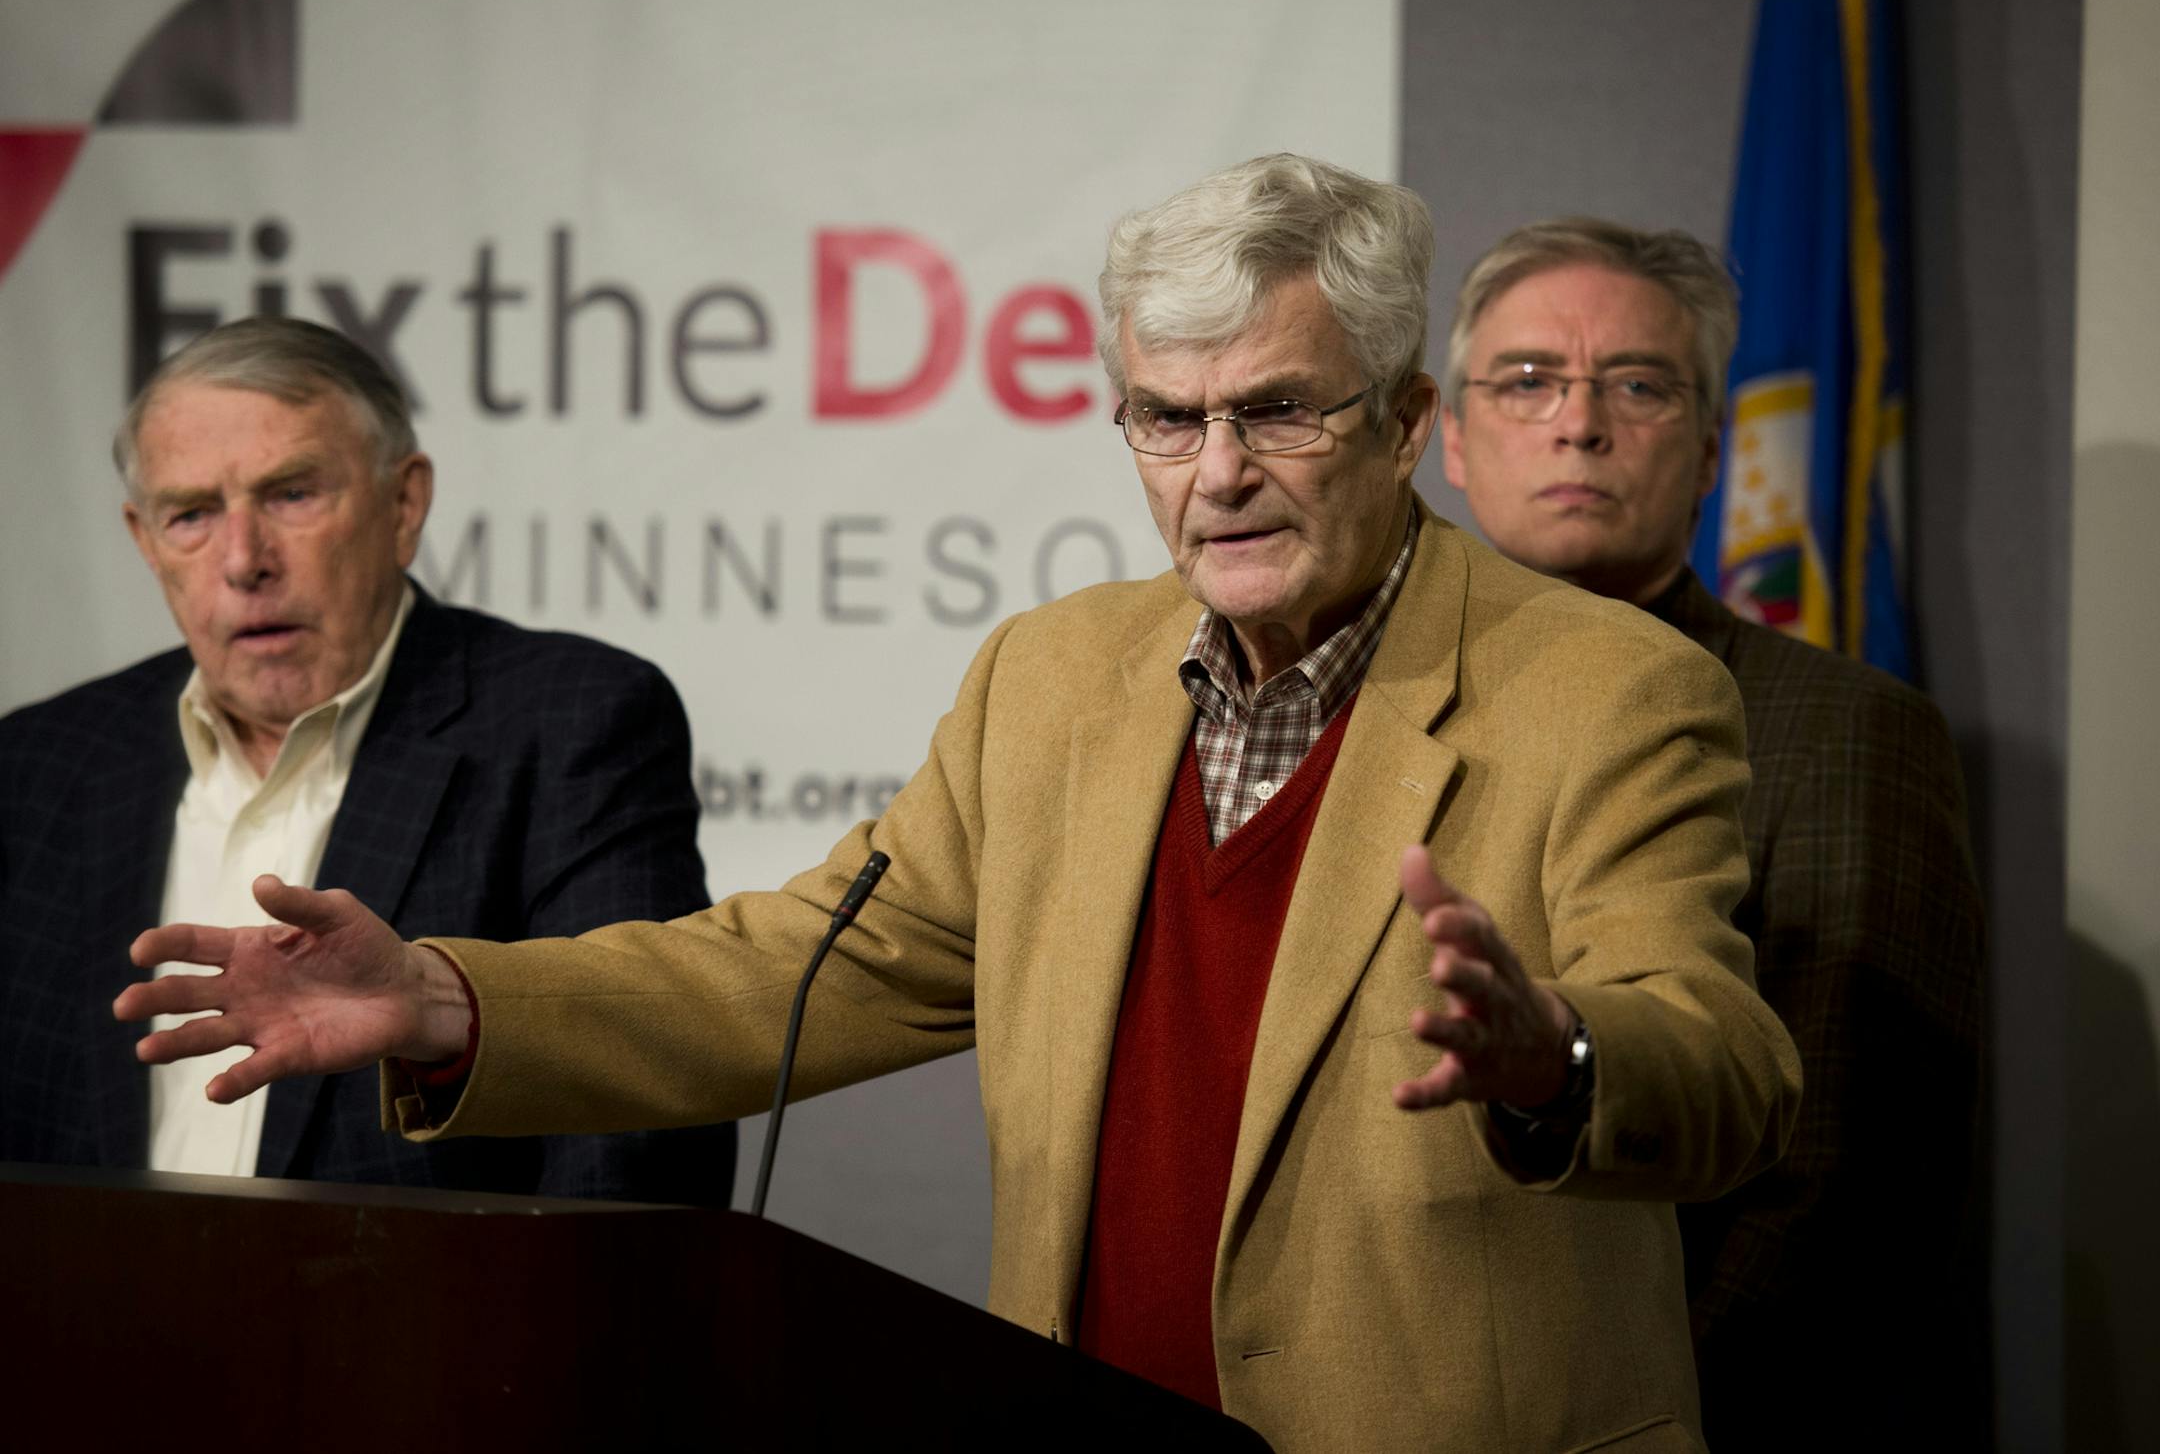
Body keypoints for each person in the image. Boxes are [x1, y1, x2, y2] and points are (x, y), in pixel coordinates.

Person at [119, 160, 1799, 1452]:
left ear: (1406, 423)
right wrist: (447, 993)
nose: (1217, 469)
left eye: (1278, 408)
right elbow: (791, 963)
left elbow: (1724, 1064)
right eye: (1167, 415)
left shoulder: (1605, 687)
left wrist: (1556, 1059)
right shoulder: (1053, 679)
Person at [1440, 218, 1988, 1447]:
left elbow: (1847, 1193)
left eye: (1636, 384)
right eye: (1528, 382)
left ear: (1706, 454)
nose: (1578, 423)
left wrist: (1620, 1425)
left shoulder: (1848, 730)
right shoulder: (1378, 715)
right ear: (1455, 441)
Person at [2, 316, 734, 1204]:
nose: (244, 560)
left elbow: (634, 1115)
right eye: (191, 514)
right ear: (144, 539)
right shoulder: (40, 765)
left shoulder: (569, 724)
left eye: (292, 495)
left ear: (404, 502)